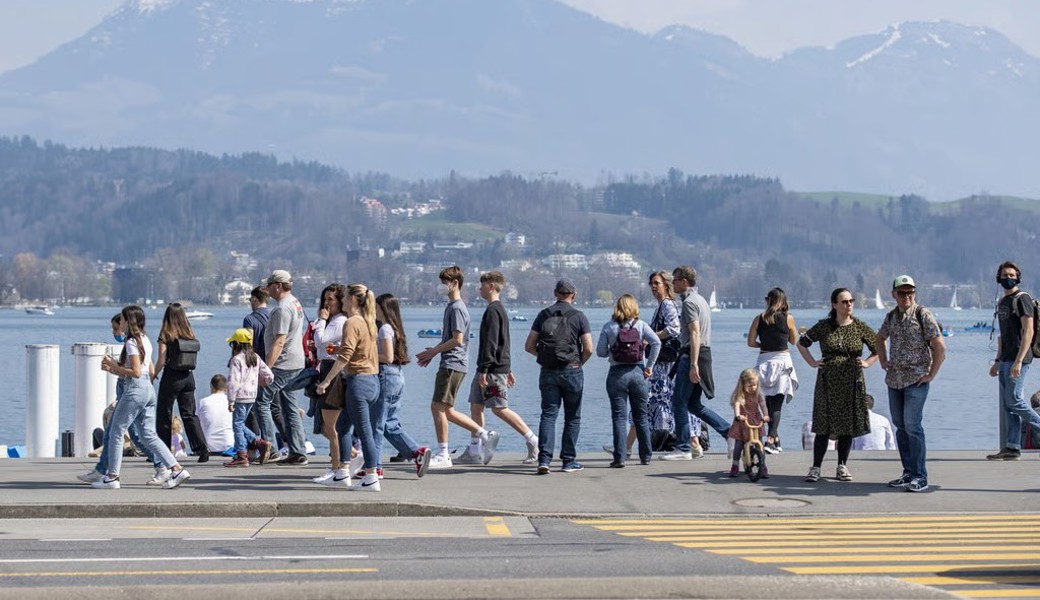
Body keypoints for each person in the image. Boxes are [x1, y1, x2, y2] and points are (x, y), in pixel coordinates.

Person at [79, 305, 190, 489]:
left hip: (135, 389)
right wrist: (114, 368)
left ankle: (112, 477)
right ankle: (176, 468)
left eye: (121, 320)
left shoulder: (131, 342)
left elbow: (136, 372)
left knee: (115, 431)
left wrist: (113, 365)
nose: (120, 323)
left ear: (128, 321)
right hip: (147, 389)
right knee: (148, 434)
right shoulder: (145, 339)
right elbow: (147, 369)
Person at [416, 266, 500, 470]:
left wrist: (434, 351)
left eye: (444, 282)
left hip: (453, 364)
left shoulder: (457, 308)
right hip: (453, 363)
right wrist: (435, 350)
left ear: (455, 284)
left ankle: (443, 453)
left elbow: (457, 339)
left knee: (437, 407)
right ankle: (484, 434)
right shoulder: (453, 307)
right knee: (448, 411)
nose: (441, 286)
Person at [797, 287, 879, 483]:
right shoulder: (824, 326)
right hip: (828, 380)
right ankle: (816, 467)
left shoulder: (859, 326)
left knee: (847, 426)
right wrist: (812, 362)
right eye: (844, 301)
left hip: (852, 380)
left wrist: (867, 362)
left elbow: (878, 348)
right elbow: (802, 343)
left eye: (851, 301)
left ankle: (842, 465)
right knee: (824, 424)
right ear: (834, 305)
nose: (849, 304)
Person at [460, 271, 539, 465]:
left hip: (492, 370)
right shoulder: (496, 310)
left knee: (499, 408)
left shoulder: (494, 311)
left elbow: (492, 343)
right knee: (476, 406)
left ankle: (533, 440)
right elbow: (505, 342)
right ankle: (474, 450)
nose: (480, 289)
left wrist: (486, 370)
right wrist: (506, 367)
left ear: (492, 287)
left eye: (483, 285)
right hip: (489, 367)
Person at [876, 274, 945, 492]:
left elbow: (940, 347)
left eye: (910, 292)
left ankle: (919, 475)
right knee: (900, 426)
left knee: (913, 426)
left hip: (916, 380)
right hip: (894, 380)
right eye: (902, 292)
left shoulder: (922, 314)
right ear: (893, 294)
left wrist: (931, 374)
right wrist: (883, 360)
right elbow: (879, 338)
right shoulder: (891, 316)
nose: (907, 296)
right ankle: (908, 472)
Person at [315, 284, 383, 491]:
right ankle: (342, 472)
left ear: (353, 299)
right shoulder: (367, 321)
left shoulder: (352, 321)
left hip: (359, 383)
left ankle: (372, 475)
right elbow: (358, 350)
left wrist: (326, 381)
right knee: (342, 428)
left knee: (364, 432)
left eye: (344, 298)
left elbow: (345, 357)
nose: (342, 301)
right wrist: (339, 347)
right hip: (372, 381)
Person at [524, 278, 594, 474]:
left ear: (555, 294)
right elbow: (589, 348)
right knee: (572, 417)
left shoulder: (543, 315)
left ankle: (544, 460)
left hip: (548, 371)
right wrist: (579, 363)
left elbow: (529, 346)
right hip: (572, 369)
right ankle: (568, 461)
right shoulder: (579, 317)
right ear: (574, 295)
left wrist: (544, 357)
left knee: (548, 415)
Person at [660, 265, 730, 460]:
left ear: (684, 282)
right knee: (694, 404)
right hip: (704, 354)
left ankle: (683, 448)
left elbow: (695, 333)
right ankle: (729, 432)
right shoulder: (701, 301)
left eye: (674, 280)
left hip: (692, 354)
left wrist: (693, 364)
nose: (672, 284)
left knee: (678, 402)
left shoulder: (689, 303)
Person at [596, 294, 660, 467]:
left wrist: (613, 350)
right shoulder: (641, 325)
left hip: (616, 374)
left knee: (619, 417)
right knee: (641, 417)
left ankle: (620, 458)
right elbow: (656, 343)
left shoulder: (609, 327)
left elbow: (600, 352)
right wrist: (650, 366)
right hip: (638, 373)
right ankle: (645, 456)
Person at [986, 261, 1040, 461]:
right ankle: (1012, 447)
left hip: (1020, 357)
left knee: (1015, 400)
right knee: (1007, 405)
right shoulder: (1002, 303)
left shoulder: (1022, 299)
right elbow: (1003, 334)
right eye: (1004, 275)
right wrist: (998, 360)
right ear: (998, 278)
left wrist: (1019, 361)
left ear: (1018, 277)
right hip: (1006, 358)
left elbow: (1029, 331)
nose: (1008, 278)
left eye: (1011, 274)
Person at [373, 293, 431, 476]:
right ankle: (416, 453)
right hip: (397, 376)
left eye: (376, 307)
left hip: (386, 375)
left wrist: (367, 356)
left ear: (383, 309)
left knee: (377, 424)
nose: (373, 310)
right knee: (390, 424)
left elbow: (387, 357)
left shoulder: (384, 330)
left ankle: (374, 467)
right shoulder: (395, 328)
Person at [262, 269, 310, 465]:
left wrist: (267, 368)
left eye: (269, 285)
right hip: (295, 361)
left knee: (261, 400)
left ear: (278, 286)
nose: (267, 289)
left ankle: (269, 448)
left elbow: (279, 341)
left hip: (283, 363)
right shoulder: (295, 302)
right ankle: (298, 451)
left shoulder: (282, 308)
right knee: (289, 407)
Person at [307, 284, 353, 484]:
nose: (326, 303)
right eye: (325, 299)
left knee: (330, 425)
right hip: (327, 366)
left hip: (332, 371)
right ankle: (342, 460)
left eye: (331, 299)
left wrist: (321, 321)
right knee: (329, 425)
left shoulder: (338, 320)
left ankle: (338, 467)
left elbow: (321, 340)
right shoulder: (336, 320)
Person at [746, 288, 799, 454]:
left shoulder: (759, 319)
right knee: (776, 405)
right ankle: (770, 440)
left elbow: (750, 342)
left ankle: (775, 439)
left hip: (763, 362)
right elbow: (793, 340)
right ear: (783, 301)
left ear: (768, 300)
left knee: (767, 404)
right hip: (782, 362)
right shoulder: (788, 318)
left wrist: (764, 345)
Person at [153, 302, 209, 462]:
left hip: (172, 376)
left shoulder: (165, 334)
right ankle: (203, 448)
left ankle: (163, 452)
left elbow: (162, 360)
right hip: (189, 376)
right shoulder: (189, 332)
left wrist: (152, 375)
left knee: (164, 413)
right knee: (189, 414)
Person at [224, 328, 274, 467]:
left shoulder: (236, 360)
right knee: (239, 424)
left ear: (237, 344)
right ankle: (260, 443)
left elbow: (233, 382)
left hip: (240, 397)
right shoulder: (255, 357)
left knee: (237, 426)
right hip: (252, 396)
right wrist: (264, 382)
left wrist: (231, 400)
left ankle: (242, 455)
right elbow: (269, 375)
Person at [244, 285, 280, 453]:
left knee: (253, 410)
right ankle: (290, 445)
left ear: (255, 299)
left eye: (251, 299)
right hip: (274, 368)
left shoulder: (250, 319)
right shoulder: (274, 316)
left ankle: (254, 449)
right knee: (276, 409)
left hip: (256, 369)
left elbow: (248, 346)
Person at [726, 369, 769, 478]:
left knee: (759, 443)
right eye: (750, 385)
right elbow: (737, 404)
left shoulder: (757, 394)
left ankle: (762, 465)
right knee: (739, 444)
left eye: (755, 385)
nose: (753, 388)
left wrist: (766, 415)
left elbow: (763, 405)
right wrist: (738, 415)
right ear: (743, 384)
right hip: (742, 421)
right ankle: (735, 465)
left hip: (755, 420)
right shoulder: (740, 395)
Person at [196, 374, 235, 456]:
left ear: (211, 386)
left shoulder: (203, 402)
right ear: (226, 388)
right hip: (228, 445)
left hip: (208, 447)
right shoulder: (232, 403)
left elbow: (196, 423)